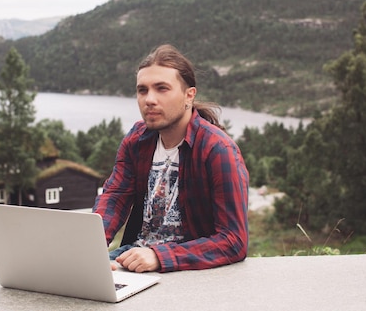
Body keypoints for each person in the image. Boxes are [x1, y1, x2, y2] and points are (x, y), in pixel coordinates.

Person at [92, 44, 249, 273]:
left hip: (186, 265)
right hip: (134, 256)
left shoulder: (217, 150)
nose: (149, 100)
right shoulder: (137, 140)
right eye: (142, 90)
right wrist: (91, 248)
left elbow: (233, 241)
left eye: (162, 88)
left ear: (189, 95)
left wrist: (159, 256)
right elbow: (114, 197)